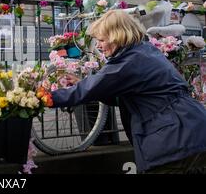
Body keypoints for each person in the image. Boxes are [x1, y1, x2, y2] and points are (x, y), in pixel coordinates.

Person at [51, 10, 206, 174]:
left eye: (102, 40)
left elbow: (86, 90)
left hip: (175, 141)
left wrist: (43, 98)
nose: (98, 45)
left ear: (117, 36)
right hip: (191, 130)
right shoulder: (144, 51)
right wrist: (85, 85)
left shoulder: (129, 62)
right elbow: (123, 96)